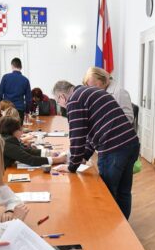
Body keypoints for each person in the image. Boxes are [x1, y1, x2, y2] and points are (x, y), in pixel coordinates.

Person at [51, 80, 140, 219]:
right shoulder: (90, 92)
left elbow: (77, 136)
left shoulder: (74, 101)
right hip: (131, 143)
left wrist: (72, 166)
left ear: (62, 96)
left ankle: (108, 226)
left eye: (58, 101)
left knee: (106, 193)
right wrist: (84, 157)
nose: (60, 105)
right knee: (123, 192)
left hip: (113, 148)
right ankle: (123, 227)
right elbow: (93, 131)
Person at [0, 116, 67, 169]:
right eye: (19, 130)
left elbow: (25, 150)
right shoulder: (6, 143)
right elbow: (30, 160)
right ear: (11, 131)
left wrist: (49, 153)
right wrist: (58, 160)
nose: (22, 133)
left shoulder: (5, 139)